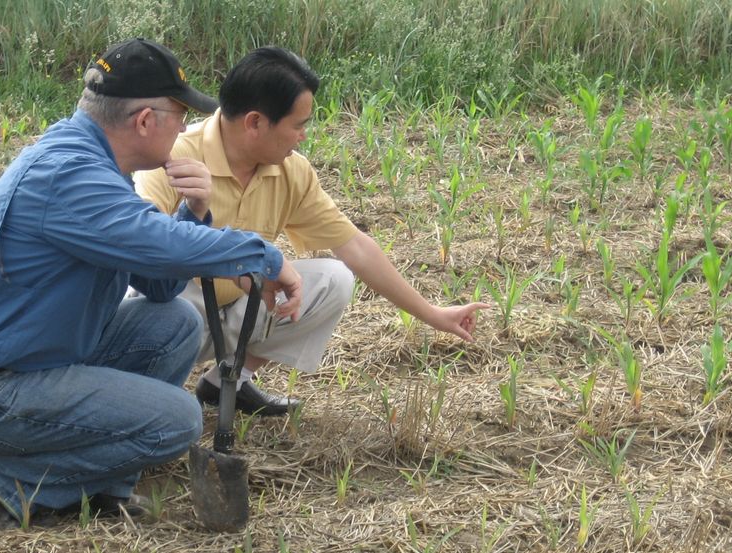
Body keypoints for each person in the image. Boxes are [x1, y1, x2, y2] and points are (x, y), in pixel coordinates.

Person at [0, 38, 302, 530]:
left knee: (173, 324)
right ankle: (2, 482)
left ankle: (101, 489)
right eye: (180, 114)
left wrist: (195, 212)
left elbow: (160, 287)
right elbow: (159, 243)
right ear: (146, 121)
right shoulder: (68, 174)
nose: (186, 128)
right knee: (178, 421)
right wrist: (265, 256)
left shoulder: (98, 166)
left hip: (32, 365)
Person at [137, 47, 489, 417]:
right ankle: (154, 397)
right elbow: (142, 253)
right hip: (177, 314)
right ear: (255, 123)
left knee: (334, 279)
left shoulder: (292, 171)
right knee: (154, 314)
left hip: (241, 310)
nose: (303, 136)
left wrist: (433, 314)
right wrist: (232, 265)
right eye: (298, 124)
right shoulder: (170, 157)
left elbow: (355, 247)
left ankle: (229, 381)